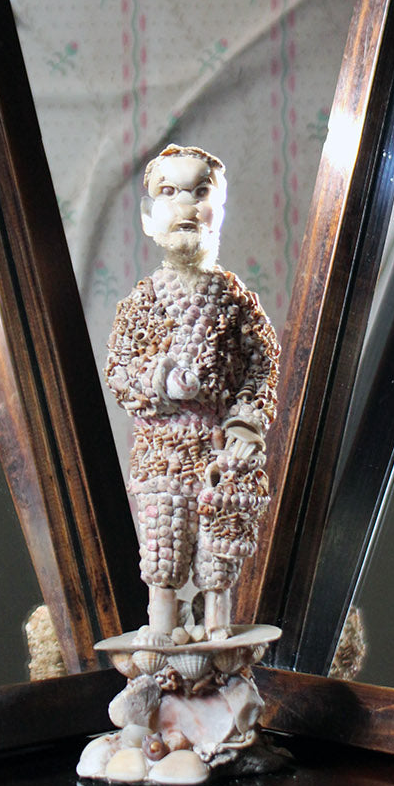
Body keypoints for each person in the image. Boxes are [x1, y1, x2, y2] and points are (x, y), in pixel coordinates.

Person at [105, 145, 279, 641]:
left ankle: (218, 633)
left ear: (219, 209)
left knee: (219, 551)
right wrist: (159, 381)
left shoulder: (235, 300)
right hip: (161, 455)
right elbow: (120, 368)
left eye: (200, 192)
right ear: (148, 218)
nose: (185, 204)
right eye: (169, 192)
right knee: (163, 553)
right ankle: (162, 635)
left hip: (219, 454)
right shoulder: (142, 302)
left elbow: (262, 365)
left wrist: (245, 422)